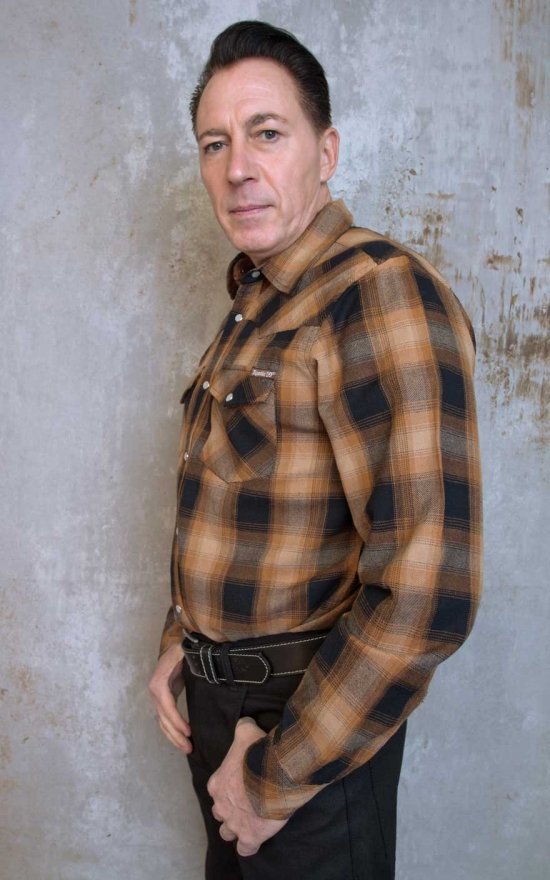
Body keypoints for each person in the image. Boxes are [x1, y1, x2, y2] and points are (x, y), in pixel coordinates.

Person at [149, 20, 482, 880]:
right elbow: (239, 500)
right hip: (225, 709)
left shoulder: (379, 295)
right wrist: (185, 637)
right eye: (214, 143)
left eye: (267, 133)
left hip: (305, 728)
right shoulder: (256, 300)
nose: (237, 168)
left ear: (325, 152)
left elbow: (429, 594)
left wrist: (276, 775)